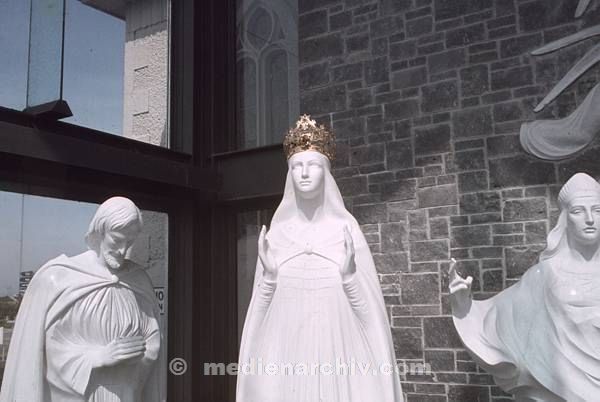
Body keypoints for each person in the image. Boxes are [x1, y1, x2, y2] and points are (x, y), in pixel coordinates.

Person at [237, 115, 403, 402]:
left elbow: (370, 317)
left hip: (337, 353)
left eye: (312, 165)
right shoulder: (276, 235)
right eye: (296, 167)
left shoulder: (346, 231)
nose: (304, 173)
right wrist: (270, 279)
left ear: (325, 173)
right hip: (287, 355)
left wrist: (349, 277)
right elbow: (259, 318)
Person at [450, 172, 600, 402]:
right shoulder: (546, 275)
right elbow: (496, 316)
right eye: (579, 211)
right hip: (559, 389)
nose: (590, 218)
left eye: (597, 210)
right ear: (565, 219)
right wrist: (463, 304)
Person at [0, 197, 163, 402]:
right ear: (100, 231)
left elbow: (153, 339)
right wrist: (96, 357)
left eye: (129, 242)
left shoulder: (138, 281)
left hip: (126, 394)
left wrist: (141, 352)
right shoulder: (57, 278)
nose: (123, 250)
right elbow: (37, 354)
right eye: (116, 240)